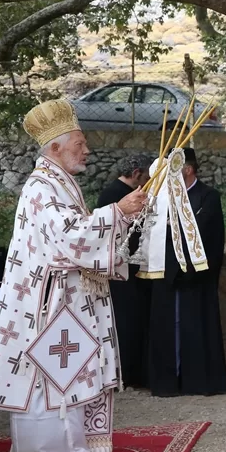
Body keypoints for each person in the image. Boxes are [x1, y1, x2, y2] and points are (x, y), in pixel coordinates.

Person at [0, 100, 144, 452]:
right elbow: (70, 236)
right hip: (46, 304)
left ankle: (76, 447)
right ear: (54, 148)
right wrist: (117, 211)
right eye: (79, 143)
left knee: (70, 367)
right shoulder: (41, 187)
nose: (86, 150)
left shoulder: (60, 184)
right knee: (52, 372)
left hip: (65, 298)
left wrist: (120, 215)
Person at [146, 148, 226, 397]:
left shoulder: (208, 197)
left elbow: (212, 238)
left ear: (187, 169)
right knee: (168, 329)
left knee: (196, 328)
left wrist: (196, 270)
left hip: (196, 278)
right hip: (167, 276)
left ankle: (197, 381)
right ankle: (168, 381)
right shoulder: (162, 197)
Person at [95, 153, 152, 388]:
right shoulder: (115, 196)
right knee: (127, 323)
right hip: (121, 270)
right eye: (147, 176)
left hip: (128, 268)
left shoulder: (115, 192)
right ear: (137, 174)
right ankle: (128, 373)